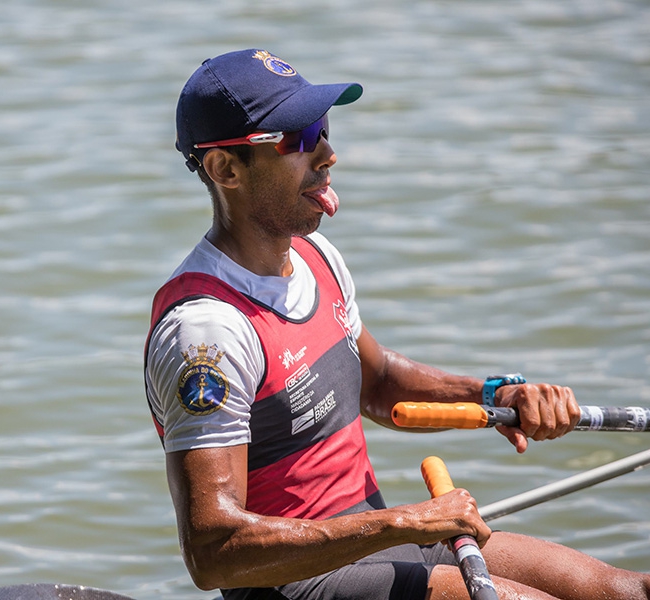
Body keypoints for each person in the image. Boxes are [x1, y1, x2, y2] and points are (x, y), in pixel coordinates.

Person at [144, 49, 650, 600]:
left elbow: (378, 382)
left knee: (628, 591)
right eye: (297, 138)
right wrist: (406, 523)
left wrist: (497, 393)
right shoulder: (205, 332)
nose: (328, 153)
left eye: (322, 127)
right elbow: (214, 554)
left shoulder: (316, 258)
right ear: (225, 169)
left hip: (374, 536)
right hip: (296, 581)